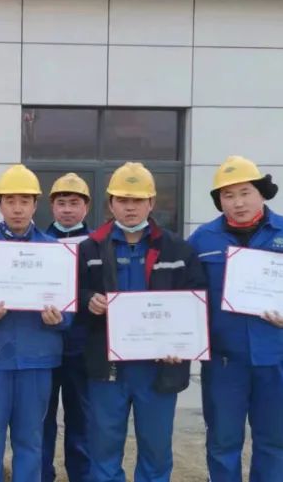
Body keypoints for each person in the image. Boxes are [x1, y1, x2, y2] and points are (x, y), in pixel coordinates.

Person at [187, 156, 283, 482]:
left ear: (261, 193)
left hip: (279, 360)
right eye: (228, 195)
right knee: (222, 443)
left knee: (273, 444)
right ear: (219, 201)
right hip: (225, 363)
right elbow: (184, 295)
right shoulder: (203, 239)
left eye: (245, 192)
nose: (238, 202)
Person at [79, 162, 206, 482]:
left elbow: (196, 303)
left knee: (156, 447)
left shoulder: (178, 250)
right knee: (104, 446)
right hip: (107, 367)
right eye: (122, 199)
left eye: (137, 200)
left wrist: (183, 345)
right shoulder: (89, 248)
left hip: (159, 367)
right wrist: (88, 300)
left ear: (151, 203)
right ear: (111, 204)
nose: (130, 207)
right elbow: (72, 295)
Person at [0, 164, 72, 482]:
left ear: (35, 205)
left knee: (30, 440)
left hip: (37, 357)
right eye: (10, 201)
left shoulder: (55, 252)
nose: (17, 208)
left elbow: (69, 312)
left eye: (24, 201)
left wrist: (59, 319)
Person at [42, 172, 94, 482]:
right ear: (52, 206)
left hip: (82, 345)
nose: (67, 210)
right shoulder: (37, 242)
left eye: (74, 203)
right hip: (44, 344)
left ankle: (81, 475)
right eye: (61, 203)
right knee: (41, 418)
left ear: (86, 207)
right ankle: (41, 474)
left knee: (81, 418)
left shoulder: (98, 245)